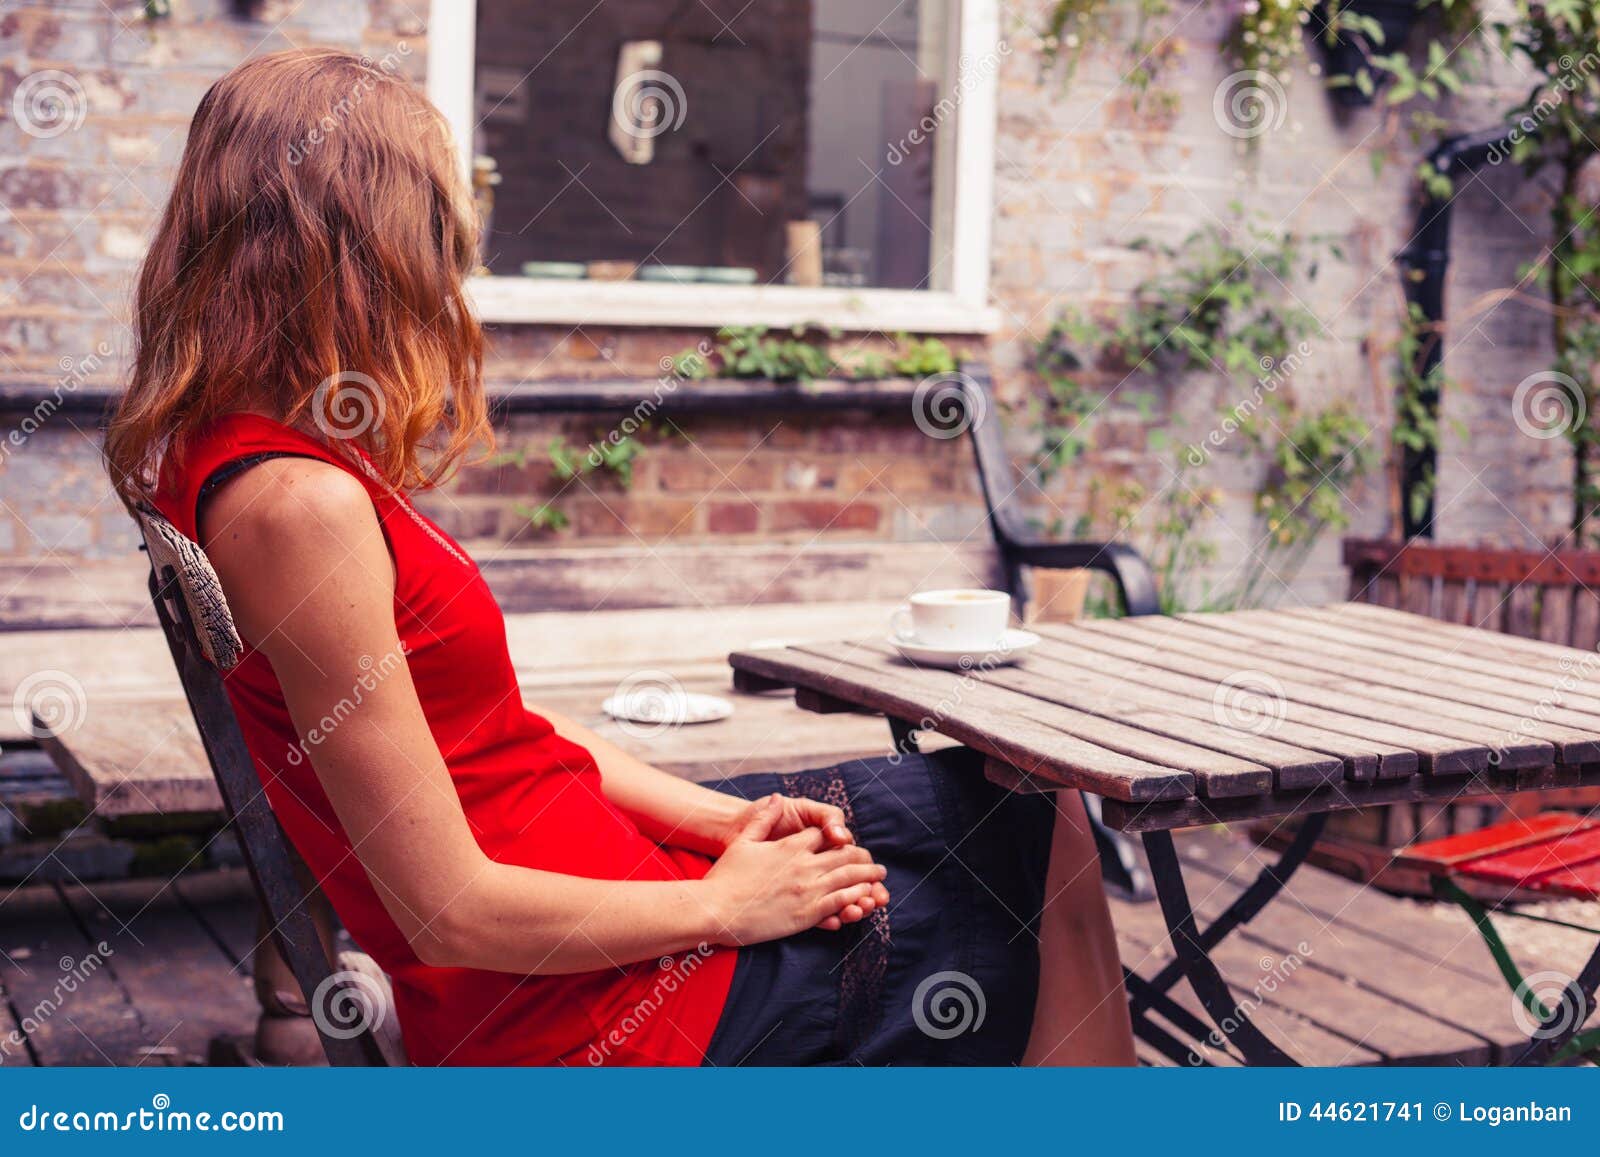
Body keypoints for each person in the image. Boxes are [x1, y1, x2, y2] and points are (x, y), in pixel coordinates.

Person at [105, 49, 1135, 1067]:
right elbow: (447, 911)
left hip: (600, 877)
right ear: (353, 243)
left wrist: (724, 815)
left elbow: (502, 736)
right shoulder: (297, 503)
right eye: (429, 217)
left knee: (1025, 801)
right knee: (1024, 861)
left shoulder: (251, 453)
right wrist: (721, 905)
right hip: (592, 1011)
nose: (449, 254)